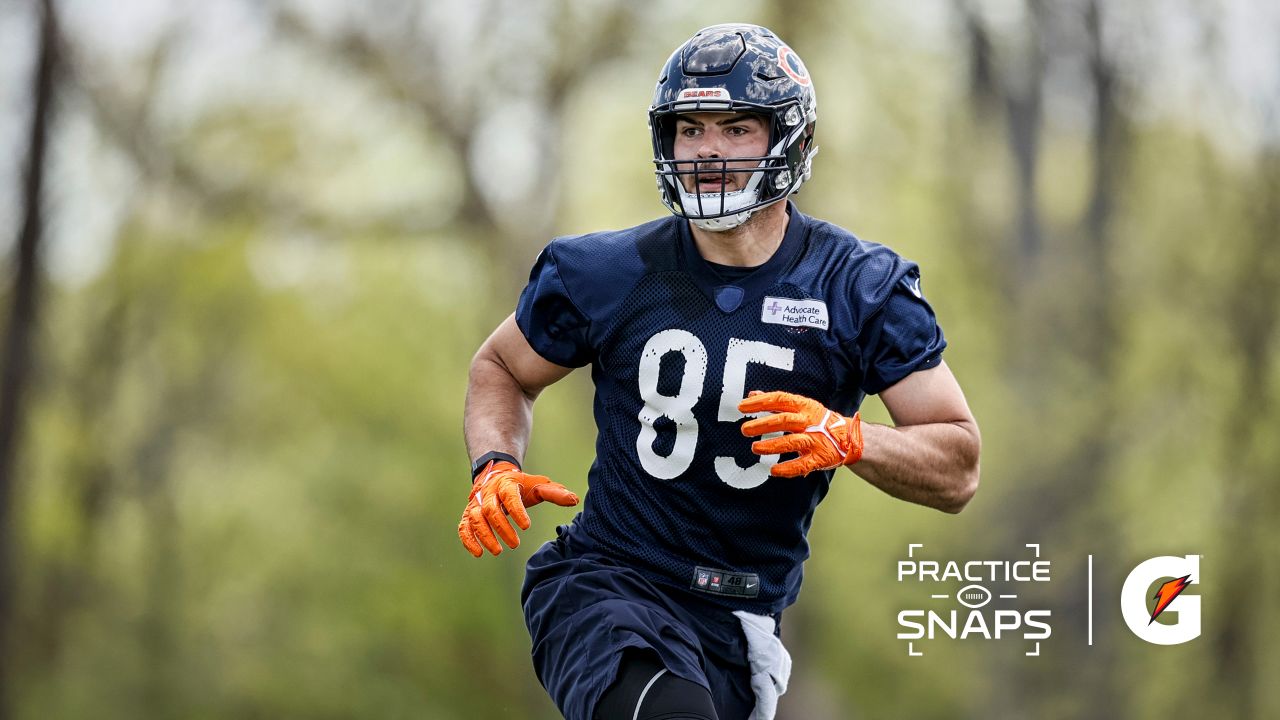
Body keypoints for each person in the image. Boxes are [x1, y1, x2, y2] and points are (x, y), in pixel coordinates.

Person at [458, 23, 980, 720]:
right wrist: (494, 462)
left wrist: (853, 438)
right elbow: (501, 365)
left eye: (736, 128)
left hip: (741, 622)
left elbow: (959, 466)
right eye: (690, 128)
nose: (707, 150)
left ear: (788, 140)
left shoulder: (857, 287)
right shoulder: (608, 272)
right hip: (607, 586)